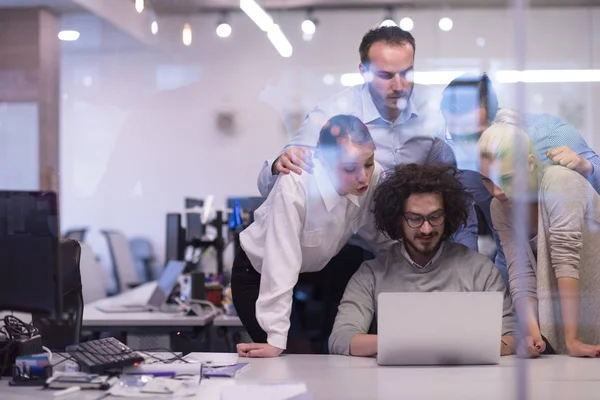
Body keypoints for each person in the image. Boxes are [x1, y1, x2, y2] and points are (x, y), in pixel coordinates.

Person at [256, 26, 478, 252]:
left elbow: (459, 190)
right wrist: (278, 165)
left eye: (407, 73)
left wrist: (468, 258)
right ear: (364, 71)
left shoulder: (435, 108)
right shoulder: (330, 114)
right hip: (349, 245)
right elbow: (272, 184)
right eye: (386, 75)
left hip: (422, 242)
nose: (399, 86)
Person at [232, 114, 392, 358]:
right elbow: (280, 261)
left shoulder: (372, 175)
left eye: (368, 163)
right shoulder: (295, 184)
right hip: (260, 273)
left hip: (316, 273)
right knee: (292, 356)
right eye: (350, 168)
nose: (364, 177)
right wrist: (275, 338)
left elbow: (380, 236)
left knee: (332, 354)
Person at [329, 163, 517, 357]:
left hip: (464, 383)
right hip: (394, 384)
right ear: (397, 219)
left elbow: (511, 336)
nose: (426, 229)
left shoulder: (480, 270)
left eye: (435, 217)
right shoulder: (371, 274)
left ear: (448, 215)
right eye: (414, 218)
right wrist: (415, 343)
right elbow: (341, 339)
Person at [440, 73, 600, 280]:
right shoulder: (452, 155)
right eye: (458, 136)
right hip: (517, 269)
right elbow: (469, 229)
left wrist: (586, 168)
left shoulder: (548, 134)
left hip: (582, 263)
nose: (468, 146)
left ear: (494, 118)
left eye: (474, 136)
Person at [479, 110, 600, 358]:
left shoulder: (561, 183)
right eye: (487, 181)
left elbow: (565, 262)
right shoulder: (499, 207)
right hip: (570, 319)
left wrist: (572, 340)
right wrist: (534, 332)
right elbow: (519, 270)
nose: (496, 191)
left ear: (531, 163)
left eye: (507, 178)